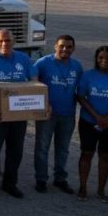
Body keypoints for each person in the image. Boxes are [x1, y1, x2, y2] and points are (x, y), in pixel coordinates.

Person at [0, 29, 38, 198]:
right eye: (0, 41)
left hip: (18, 114)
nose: (4, 43)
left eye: (7, 40)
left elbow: (34, 83)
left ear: (14, 41)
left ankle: (10, 183)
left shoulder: (24, 59)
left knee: (16, 150)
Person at [75, 46, 108, 202]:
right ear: (96, 59)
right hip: (89, 122)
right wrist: (97, 116)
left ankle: (101, 190)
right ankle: (83, 188)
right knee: (87, 153)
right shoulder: (88, 76)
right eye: (101, 58)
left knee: (105, 156)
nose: (104, 60)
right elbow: (81, 97)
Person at [33, 35, 83, 194]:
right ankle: (41, 179)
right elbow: (32, 84)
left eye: (69, 47)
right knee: (42, 147)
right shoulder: (43, 63)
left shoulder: (77, 66)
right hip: (46, 114)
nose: (65, 49)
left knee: (63, 149)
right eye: (62, 46)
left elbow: (80, 90)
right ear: (55, 46)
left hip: (67, 114)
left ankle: (60, 179)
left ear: (73, 49)